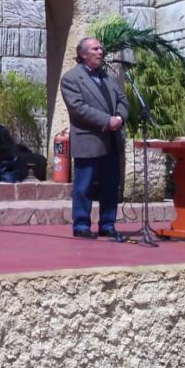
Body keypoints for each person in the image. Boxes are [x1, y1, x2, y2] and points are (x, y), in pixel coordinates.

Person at [59, 37, 129, 241]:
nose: (101, 52)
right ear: (83, 54)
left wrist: (120, 117)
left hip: (112, 140)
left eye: (101, 49)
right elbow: (78, 108)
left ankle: (108, 224)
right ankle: (81, 225)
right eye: (95, 49)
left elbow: (123, 100)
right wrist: (107, 121)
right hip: (89, 139)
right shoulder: (71, 78)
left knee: (110, 185)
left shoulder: (108, 78)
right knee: (84, 186)